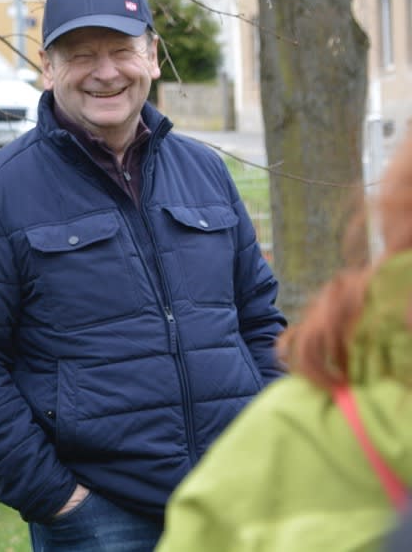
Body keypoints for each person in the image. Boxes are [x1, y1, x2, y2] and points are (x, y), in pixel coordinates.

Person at [0, 0, 287, 552]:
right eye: (81, 55)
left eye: (122, 51)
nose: (106, 72)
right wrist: (53, 497)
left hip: (238, 501)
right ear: (48, 67)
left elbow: (260, 320)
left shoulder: (206, 172)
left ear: (152, 56)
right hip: (101, 516)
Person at [157, 132, 412, 552]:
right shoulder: (287, 433)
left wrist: (276, 406)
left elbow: (257, 310)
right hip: (104, 493)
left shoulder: (202, 169)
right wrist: (58, 494)